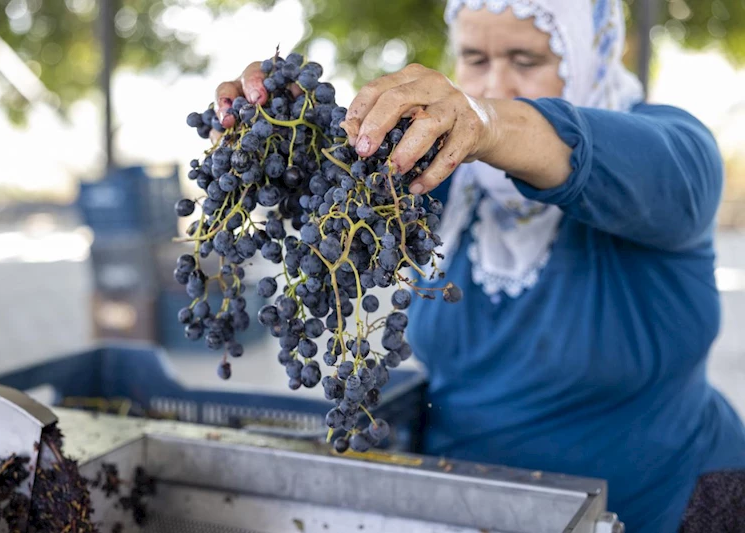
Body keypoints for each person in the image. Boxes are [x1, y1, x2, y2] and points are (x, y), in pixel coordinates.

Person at [213, 0, 745, 531]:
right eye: (474, 58)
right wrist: (285, 132)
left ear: (589, 55)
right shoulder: (441, 178)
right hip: (470, 509)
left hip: (662, 508)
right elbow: (331, 203)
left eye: (526, 58)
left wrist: (486, 121)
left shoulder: (676, 155)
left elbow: (613, 159)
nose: (496, 83)